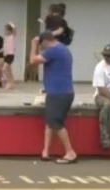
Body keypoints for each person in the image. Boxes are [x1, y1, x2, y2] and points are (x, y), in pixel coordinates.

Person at [28, 31, 77, 163]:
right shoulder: (63, 49)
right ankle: (46, 151)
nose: (41, 48)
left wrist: (33, 45)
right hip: (60, 91)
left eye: (41, 45)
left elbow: (33, 61)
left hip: (58, 92)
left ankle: (70, 152)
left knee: (56, 123)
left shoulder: (53, 51)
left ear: (44, 42)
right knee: (51, 121)